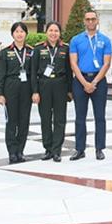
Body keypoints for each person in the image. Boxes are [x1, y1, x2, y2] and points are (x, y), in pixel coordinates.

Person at [69, 9, 112, 160]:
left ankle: (99, 148)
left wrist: (93, 82)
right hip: (80, 80)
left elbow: (106, 64)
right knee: (80, 117)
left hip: (98, 81)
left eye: (93, 19)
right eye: (88, 19)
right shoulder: (76, 40)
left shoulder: (105, 40)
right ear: (84, 21)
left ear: (97, 20)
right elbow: (73, 63)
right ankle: (79, 149)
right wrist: (84, 83)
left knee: (100, 116)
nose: (90, 22)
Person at [32, 22, 72, 162]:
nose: (53, 33)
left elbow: (69, 71)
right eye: (50, 30)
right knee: (46, 118)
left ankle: (57, 150)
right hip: (44, 85)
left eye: (56, 30)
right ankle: (48, 148)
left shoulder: (66, 49)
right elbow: (33, 72)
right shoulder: (38, 49)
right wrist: (35, 91)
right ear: (46, 32)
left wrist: (69, 90)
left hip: (60, 85)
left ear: (60, 33)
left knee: (60, 119)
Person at [0, 22, 34, 163]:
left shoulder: (31, 51)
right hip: (10, 87)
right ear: (12, 34)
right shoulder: (5, 52)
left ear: (26, 34)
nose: (19, 34)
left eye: (22, 31)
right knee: (11, 121)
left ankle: (20, 150)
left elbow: (33, 73)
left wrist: (35, 91)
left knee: (24, 120)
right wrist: (0, 93)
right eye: (16, 31)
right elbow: (1, 74)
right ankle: (12, 151)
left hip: (26, 88)